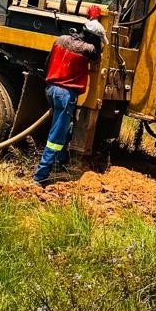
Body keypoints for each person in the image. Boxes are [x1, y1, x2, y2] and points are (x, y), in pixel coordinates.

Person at [32, 18, 102, 186]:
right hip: (65, 95)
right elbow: (97, 54)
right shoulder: (88, 49)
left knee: (67, 126)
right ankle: (40, 177)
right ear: (94, 38)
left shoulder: (61, 40)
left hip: (51, 89)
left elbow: (47, 62)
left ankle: (61, 163)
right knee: (56, 136)